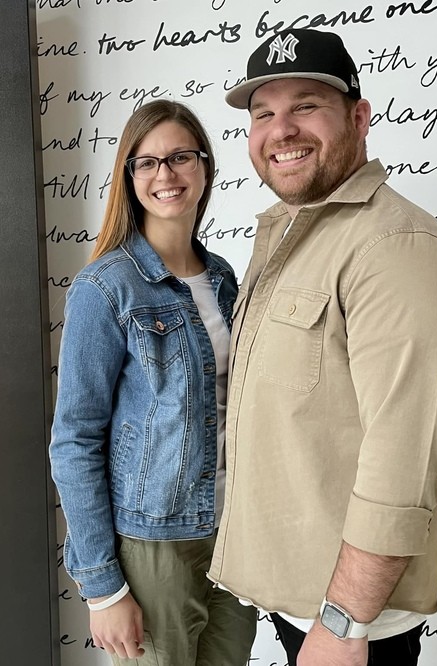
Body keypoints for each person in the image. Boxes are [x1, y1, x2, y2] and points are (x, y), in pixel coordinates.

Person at [207, 28, 437, 666]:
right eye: (263, 114)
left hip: (349, 622)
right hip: (299, 602)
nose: (281, 130)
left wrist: (343, 622)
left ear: (359, 118)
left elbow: (404, 462)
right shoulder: (295, 234)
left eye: (305, 106)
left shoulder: (397, 248)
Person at [49, 99, 256, 665]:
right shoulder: (105, 288)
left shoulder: (224, 278)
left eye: (181, 157)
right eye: (147, 162)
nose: (166, 174)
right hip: (154, 542)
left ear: (205, 166)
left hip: (234, 534)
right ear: (130, 177)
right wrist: (102, 587)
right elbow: (75, 440)